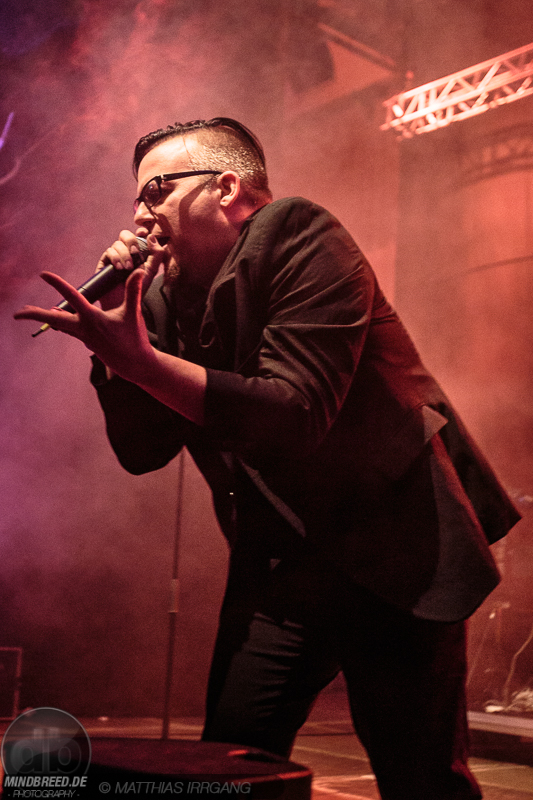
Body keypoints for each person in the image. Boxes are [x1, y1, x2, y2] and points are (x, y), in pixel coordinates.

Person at [15, 117, 520, 800]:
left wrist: (142, 364)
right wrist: (115, 357)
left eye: (157, 190)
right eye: (135, 198)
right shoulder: (157, 294)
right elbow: (142, 451)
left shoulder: (299, 233)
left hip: (395, 552)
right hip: (280, 567)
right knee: (227, 768)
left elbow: (294, 413)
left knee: (421, 782)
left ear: (226, 188)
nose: (138, 215)